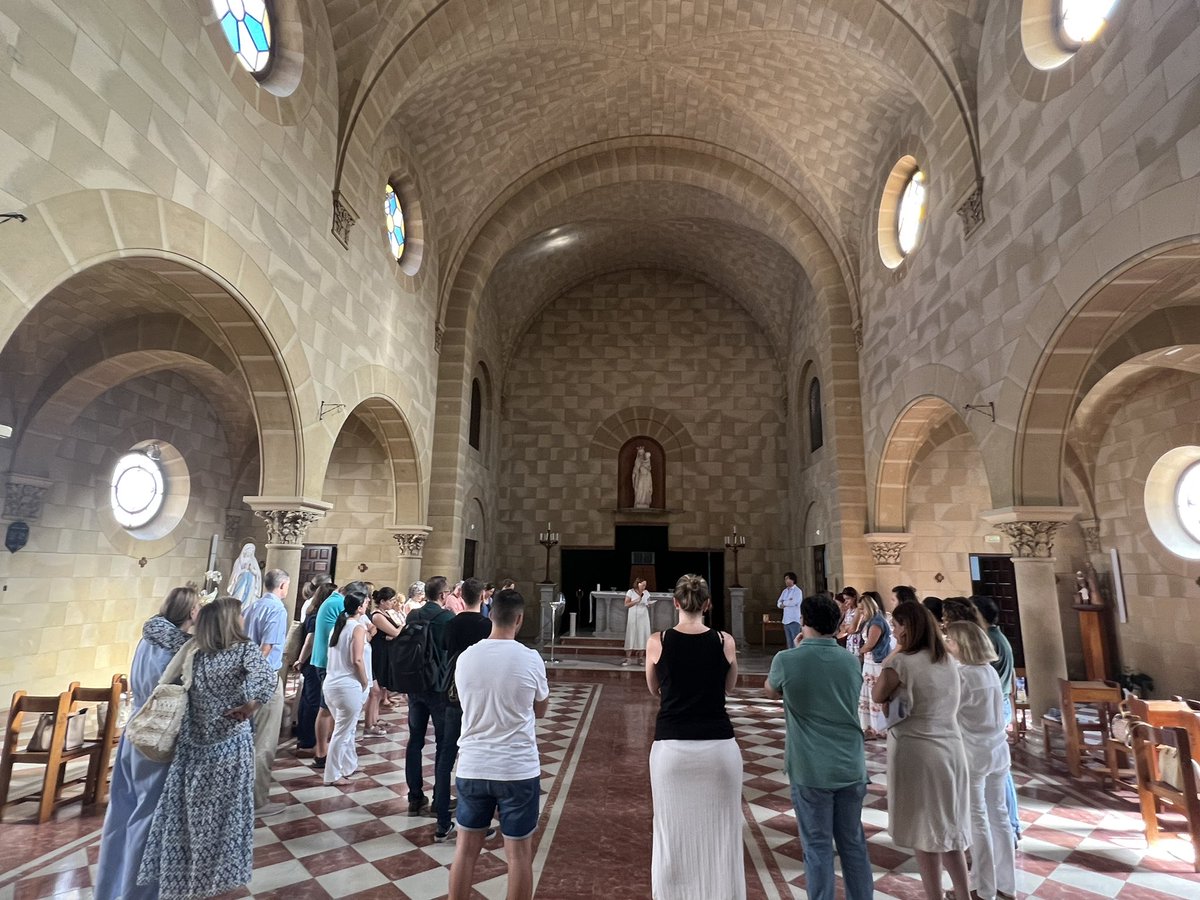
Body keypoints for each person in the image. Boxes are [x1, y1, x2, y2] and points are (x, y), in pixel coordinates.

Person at [137, 596, 277, 900]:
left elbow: (157, 636)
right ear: (229, 621)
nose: (243, 620)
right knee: (224, 818)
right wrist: (250, 706)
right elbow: (267, 679)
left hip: (194, 747)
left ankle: (185, 877)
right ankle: (215, 880)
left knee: (189, 815)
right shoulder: (243, 650)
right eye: (239, 616)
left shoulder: (197, 653)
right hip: (228, 747)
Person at [765, 592, 874, 900]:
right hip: (850, 763)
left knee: (817, 847)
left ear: (804, 621)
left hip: (811, 767)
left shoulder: (787, 659)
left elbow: (772, 690)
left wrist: (799, 650)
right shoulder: (850, 661)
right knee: (853, 844)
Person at [95, 587, 198, 900]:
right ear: (191, 613)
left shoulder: (147, 640)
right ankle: (136, 894)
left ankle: (108, 889)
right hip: (157, 740)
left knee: (121, 813)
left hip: (134, 733)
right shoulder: (179, 651)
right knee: (150, 820)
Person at [646, 574, 744, 900]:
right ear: (708, 604)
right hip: (719, 749)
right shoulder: (724, 641)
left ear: (675, 603)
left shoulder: (657, 641)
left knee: (671, 834)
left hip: (671, 749)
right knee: (722, 836)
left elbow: (653, 687)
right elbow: (729, 687)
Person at [448, 588, 549, 899]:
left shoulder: (466, 657)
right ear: (519, 619)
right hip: (516, 767)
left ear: (489, 615)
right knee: (518, 856)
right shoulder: (530, 658)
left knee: (465, 851)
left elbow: (466, 702)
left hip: (473, 763)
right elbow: (541, 709)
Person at [872, 601, 971, 900]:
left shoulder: (902, 663)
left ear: (908, 628)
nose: (894, 630)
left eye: (897, 625)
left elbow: (878, 693)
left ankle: (934, 896)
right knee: (950, 829)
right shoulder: (948, 661)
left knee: (924, 830)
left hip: (918, 751)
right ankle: (964, 894)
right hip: (951, 747)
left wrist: (896, 651)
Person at [945, 621, 1016, 900]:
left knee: (978, 820)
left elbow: (946, 713)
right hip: (997, 749)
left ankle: (982, 889)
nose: (947, 645)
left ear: (962, 645)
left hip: (973, 754)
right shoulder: (988, 671)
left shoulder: (962, 676)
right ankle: (1006, 885)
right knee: (999, 816)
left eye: (950, 641)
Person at [435, 576, 493, 841]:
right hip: (479, 698)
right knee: (480, 759)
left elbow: (445, 650)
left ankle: (442, 822)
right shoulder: (486, 624)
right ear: (482, 596)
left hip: (452, 696)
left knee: (446, 757)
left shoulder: (451, 622)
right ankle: (476, 822)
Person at [405, 575, 455, 818]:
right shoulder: (447, 618)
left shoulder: (413, 615)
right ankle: (439, 799)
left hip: (415, 684)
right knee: (444, 743)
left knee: (415, 740)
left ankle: (414, 797)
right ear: (444, 595)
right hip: (439, 685)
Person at [972, 594, 1020, 842]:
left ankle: (1010, 824)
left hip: (994, 706)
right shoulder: (994, 637)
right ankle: (1007, 823)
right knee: (997, 767)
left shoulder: (990, 640)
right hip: (996, 703)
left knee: (998, 769)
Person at [308, 580, 371, 769]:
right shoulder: (339, 605)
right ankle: (324, 756)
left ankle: (341, 760)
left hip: (333, 669)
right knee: (330, 715)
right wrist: (364, 680)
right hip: (334, 669)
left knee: (337, 718)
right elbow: (354, 649)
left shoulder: (337, 604)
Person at [243, 567, 290, 816]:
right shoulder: (276, 609)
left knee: (250, 739)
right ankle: (257, 800)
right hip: (265, 676)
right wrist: (260, 676)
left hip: (249, 675)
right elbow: (267, 646)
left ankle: (245, 795)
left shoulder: (252, 606)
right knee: (265, 740)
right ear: (282, 586)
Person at [323, 592, 371, 785]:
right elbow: (357, 659)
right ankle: (332, 775)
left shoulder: (338, 626)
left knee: (347, 730)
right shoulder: (357, 628)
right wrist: (365, 681)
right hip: (347, 686)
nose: (367, 606)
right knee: (342, 733)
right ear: (359, 608)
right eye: (366, 604)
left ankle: (349, 765)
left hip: (331, 684)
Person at [291, 581, 338, 754]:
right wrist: (301, 660)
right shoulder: (317, 616)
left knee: (307, 699)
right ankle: (307, 741)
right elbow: (310, 641)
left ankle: (305, 738)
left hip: (311, 662)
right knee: (312, 702)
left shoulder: (314, 613)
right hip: (312, 662)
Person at [856, 591, 892, 740]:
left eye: (862, 609)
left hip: (876, 663)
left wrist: (857, 653)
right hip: (869, 663)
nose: (861, 612)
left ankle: (879, 728)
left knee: (875, 695)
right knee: (867, 696)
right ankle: (869, 727)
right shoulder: (870, 621)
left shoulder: (876, 622)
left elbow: (870, 644)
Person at [369, 587, 403, 714]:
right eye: (391, 600)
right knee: (376, 689)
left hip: (386, 650)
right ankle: (371, 720)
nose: (393, 603)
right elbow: (394, 632)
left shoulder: (386, 613)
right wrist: (401, 627)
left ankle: (375, 718)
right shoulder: (377, 615)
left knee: (381, 685)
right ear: (382, 601)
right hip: (379, 652)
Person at [622, 577, 652, 666]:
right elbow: (626, 604)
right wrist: (636, 601)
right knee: (631, 634)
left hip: (643, 616)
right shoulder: (630, 592)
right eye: (643, 584)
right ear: (638, 584)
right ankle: (628, 659)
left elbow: (648, 602)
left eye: (645, 585)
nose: (644, 586)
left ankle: (640, 658)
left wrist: (649, 604)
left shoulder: (646, 592)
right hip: (633, 615)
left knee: (643, 635)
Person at [227, 543, 262, 609]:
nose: (250, 552)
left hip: (251, 581)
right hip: (241, 580)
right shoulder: (239, 560)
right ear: (245, 550)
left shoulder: (253, 561)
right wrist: (244, 569)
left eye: (252, 551)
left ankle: (246, 607)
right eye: (249, 550)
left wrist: (251, 570)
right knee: (239, 593)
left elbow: (258, 574)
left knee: (249, 596)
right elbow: (235, 572)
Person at [777, 571, 803, 648]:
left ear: (793, 580)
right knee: (789, 641)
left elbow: (794, 602)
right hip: (786, 619)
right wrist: (782, 604)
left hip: (794, 619)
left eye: (788, 579)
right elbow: (779, 602)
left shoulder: (797, 591)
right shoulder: (784, 591)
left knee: (795, 640)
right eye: (785, 579)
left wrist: (784, 603)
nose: (786, 581)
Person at [837, 587, 862, 657]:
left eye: (848, 599)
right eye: (845, 599)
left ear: (854, 597)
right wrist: (848, 626)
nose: (846, 601)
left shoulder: (858, 610)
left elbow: (853, 629)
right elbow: (841, 626)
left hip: (856, 640)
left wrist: (847, 627)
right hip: (849, 640)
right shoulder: (848, 611)